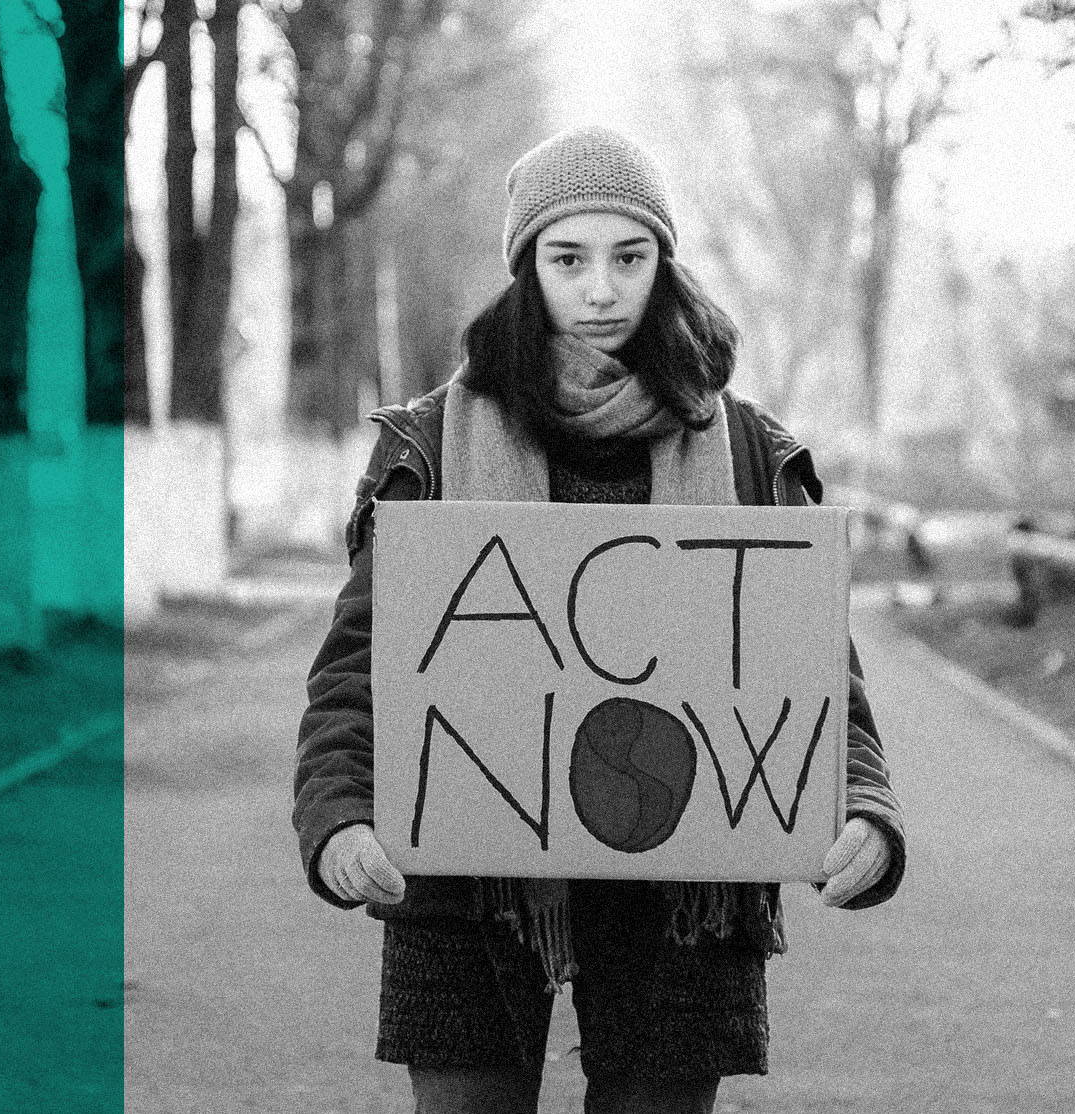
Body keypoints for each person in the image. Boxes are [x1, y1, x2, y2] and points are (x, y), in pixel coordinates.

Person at [294, 124, 905, 1114]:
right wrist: (336, 818)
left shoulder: (748, 450)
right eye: (567, 257)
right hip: (468, 888)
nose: (600, 288)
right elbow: (355, 671)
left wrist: (866, 811)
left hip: (685, 901)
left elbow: (811, 677)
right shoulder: (432, 446)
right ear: (525, 269)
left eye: (629, 256)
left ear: (663, 264)